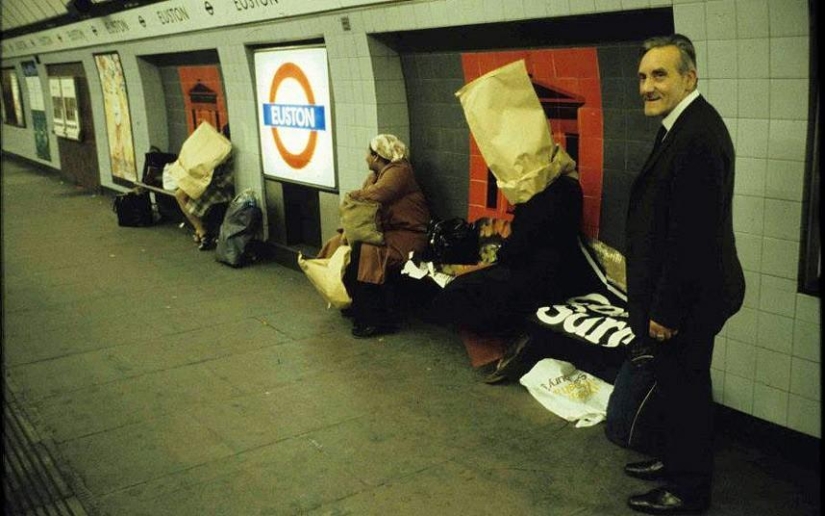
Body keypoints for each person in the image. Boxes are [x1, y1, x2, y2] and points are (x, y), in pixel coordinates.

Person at [622, 34, 745, 515]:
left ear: (689, 77)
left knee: (687, 392)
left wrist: (667, 308)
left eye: (659, 75)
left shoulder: (696, 136)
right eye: (642, 77)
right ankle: (673, 461)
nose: (646, 87)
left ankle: (687, 491)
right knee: (674, 388)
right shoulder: (682, 124)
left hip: (688, 299)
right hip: (683, 292)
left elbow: (692, 236)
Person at [428, 143, 602, 382]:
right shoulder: (569, 185)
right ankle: (508, 344)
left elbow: (520, 244)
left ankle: (510, 344)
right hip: (561, 273)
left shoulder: (542, 193)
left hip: (537, 276)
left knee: (459, 292)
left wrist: (499, 258)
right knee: (474, 287)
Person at [317, 134, 430, 338]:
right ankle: (354, 303)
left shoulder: (400, 171)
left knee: (367, 253)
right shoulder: (376, 175)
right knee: (338, 244)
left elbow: (377, 194)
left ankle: (375, 318)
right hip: (387, 232)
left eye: (368, 154)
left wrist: (352, 196)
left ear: (377, 156)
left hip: (408, 234)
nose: (365, 158)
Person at [174, 124, 234, 250]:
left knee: (181, 196)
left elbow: (226, 181)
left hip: (219, 187)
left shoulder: (229, 153)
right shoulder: (220, 148)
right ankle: (201, 230)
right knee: (180, 194)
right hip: (209, 182)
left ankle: (201, 231)